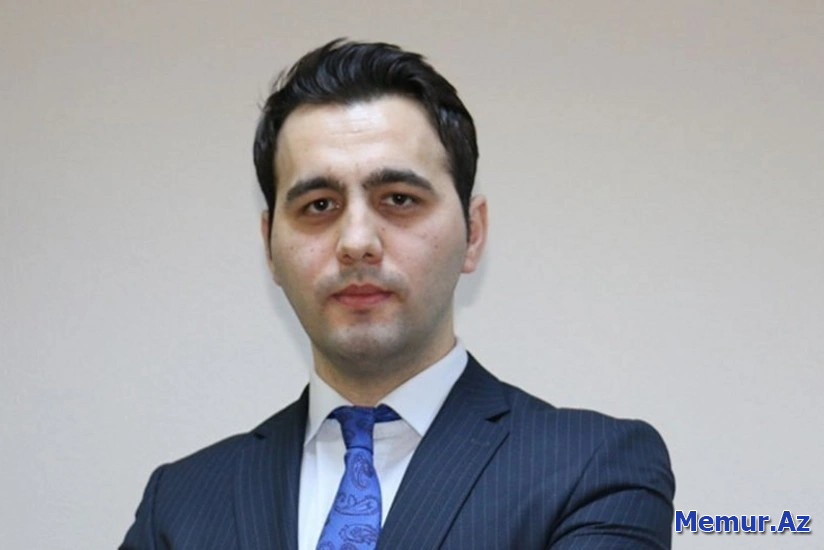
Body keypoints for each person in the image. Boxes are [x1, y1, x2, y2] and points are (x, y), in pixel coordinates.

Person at [121, 39, 675, 550]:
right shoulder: (179, 503)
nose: (357, 243)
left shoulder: (595, 470)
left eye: (399, 199)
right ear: (269, 245)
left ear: (473, 233)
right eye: (319, 205)